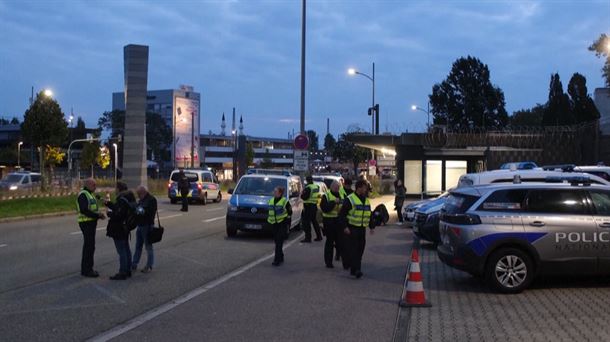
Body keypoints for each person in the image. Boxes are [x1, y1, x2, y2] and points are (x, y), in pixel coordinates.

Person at [338, 179, 375, 279]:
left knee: (360, 249)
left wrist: (371, 226)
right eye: (364, 188)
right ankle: (356, 270)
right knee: (354, 249)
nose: (366, 189)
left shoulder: (365, 200)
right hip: (352, 228)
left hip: (362, 229)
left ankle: (354, 269)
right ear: (359, 188)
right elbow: (342, 215)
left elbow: (369, 213)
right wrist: (345, 227)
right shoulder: (350, 199)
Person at [104, 181, 136, 280]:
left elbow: (119, 214)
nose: (115, 190)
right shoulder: (129, 198)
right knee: (126, 249)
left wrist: (110, 214)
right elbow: (120, 209)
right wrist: (110, 204)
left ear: (119, 189)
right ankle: (128, 269)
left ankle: (123, 272)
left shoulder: (122, 199)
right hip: (126, 227)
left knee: (121, 251)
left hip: (119, 228)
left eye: (116, 188)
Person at [76, 178, 106, 278]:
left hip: (90, 223)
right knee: (89, 247)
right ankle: (87, 270)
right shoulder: (83, 194)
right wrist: (98, 216)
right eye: (94, 185)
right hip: (86, 223)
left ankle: (87, 268)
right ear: (88, 184)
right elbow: (84, 210)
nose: (95, 187)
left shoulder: (90, 194)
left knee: (90, 246)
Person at [319, 180, 347, 269]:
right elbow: (325, 209)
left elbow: (346, 207)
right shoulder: (326, 196)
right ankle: (328, 263)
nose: (337, 189)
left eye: (338, 187)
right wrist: (334, 202)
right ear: (331, 187)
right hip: (329, 222)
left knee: (341, 242)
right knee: (329, 242)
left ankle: (344, 261)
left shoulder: (342, 195)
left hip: (339, 221)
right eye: (335, 187)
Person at [132, 185, 158, 273]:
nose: (138, 196)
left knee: (148, 247)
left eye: (138, 194)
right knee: (138, 246)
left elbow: (148, 213)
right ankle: (134, 263)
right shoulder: (142, 200)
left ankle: (149, 265)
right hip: (140, 225)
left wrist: (138, 209)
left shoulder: (151, 200)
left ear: (143, 192)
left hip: (147, 225)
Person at [267, 186, 292, 266]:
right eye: (274, 191)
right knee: (277, 241)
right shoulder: (271, 200)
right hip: (274, 224)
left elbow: (290, 212)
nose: (274, 193)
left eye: (276, 191)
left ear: (280, 193)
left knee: (278, 242)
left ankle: (276, 260)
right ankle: (281, 256)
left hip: (282, 223)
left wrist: (286, 221)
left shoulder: (284, 201)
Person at [300, 175, 322, 243]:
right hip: (314, 206)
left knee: (306, 222)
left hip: (308, 206)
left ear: (307, 180)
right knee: (314, 221)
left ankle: (308, 238)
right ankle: (319, 236)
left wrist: (301, 194)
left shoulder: (308, 187)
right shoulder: (316, 186)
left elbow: (304, 197)